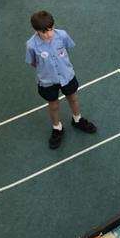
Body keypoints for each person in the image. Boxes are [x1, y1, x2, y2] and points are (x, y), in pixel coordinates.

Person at [25, 10, 97, 149]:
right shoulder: (31, 45)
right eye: (44, 32)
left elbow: (66, 51)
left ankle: (77, 120)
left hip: (67, 76)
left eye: (50, 30)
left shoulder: (62, 35)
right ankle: (57, 128)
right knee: (53, 105)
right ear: (36, 30)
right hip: (47, 82)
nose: (49, 34)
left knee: (73, 98)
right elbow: (33, 62)